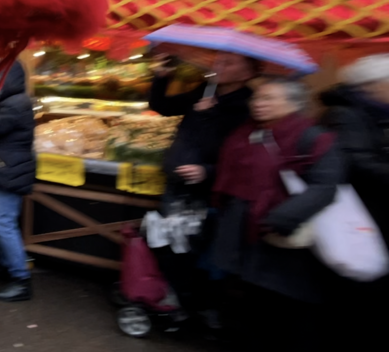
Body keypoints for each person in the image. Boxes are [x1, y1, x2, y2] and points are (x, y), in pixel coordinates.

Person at [211, 77, 343, 351]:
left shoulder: (313, 137)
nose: (258, 104)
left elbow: (326, 186)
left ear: (294, 103)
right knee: (253, 296)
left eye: (268, 98)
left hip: (286, 235)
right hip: (245, 229)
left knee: (289, 299)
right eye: (257, 98)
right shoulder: (246, 133)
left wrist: (281, 219)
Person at [148, 52, 259, 322]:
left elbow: (242, 156)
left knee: (201, 249)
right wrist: (162, 77)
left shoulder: (247, 107)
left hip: (210, 190)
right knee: (171, 245)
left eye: (229, 62)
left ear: (246, 74)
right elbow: (162, 106)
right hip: (178, 181)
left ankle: (204, 307)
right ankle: (174, 301)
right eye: (219, 61)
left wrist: (207, 171)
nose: (219, 65)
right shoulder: (205, 91)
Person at [319, 54, 389, 347]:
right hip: (359, 213)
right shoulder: (345, 114)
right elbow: (358, 162)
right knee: (359, 284)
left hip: (375, 209)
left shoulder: (375, 113)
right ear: (371, 85)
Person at [0, 61, 36, 302]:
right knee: (0, 220)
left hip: (10, 170)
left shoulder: (16, 103)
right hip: (7, 168)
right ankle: (7, 265)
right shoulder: (14, 101)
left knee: (2, 222)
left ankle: (21, 278)